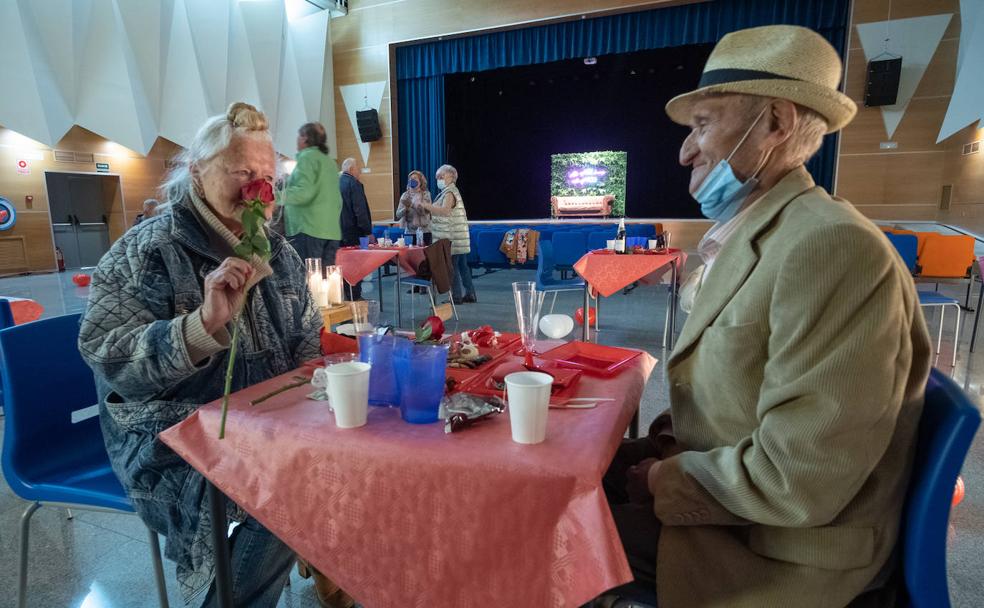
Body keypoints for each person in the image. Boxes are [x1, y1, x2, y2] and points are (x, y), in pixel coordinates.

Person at [599, 25, 931, 608]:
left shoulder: (830, 249)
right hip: (740, 519)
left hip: (776, 553)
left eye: (703, 125)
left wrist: (656, 481)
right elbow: (733, 407)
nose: (684, 151)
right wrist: (644, 454)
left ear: (776, 123)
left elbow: (799, 477)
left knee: (533, 532)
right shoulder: (763, 235)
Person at [77, 102, 345, 608]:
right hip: (169, 440)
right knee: (290, 488)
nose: (258, 189)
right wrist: (200, 328)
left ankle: (324, 558)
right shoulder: (146, 251)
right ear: (197, 173)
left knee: (353, 460)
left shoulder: (279, 254)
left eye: (267, 176)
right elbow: (108, 357)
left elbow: (308, 339)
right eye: (242, 172)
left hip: (270, 428)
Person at [282, 122, 343, 267]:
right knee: (326, 281)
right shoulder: (329, 162)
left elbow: (304, 192)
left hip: (308, 229)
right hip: (331, 230)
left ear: (304, 138)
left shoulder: (307, 158)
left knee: (308, 281)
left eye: (298, 136)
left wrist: (273, 196)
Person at [413, 164, 475, 304]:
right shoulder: (449, 191)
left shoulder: (449, 193)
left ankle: (456, 297)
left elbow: (445, 211)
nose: (438, 179)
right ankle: (470, 293)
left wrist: (425, 205)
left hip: (452, 238)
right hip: (458, 237)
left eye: (441, 176)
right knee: (463, 267)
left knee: (451, 268)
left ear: (451, 177)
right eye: (437, 177)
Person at [338, 157, 374, 300]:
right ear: (351, 169)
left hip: (337, 233)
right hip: (353, 233)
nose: (360, 172)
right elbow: (360, 211)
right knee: (355, 266)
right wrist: (367, 231)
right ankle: (356, 296)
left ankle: (347, 296)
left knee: (343, 267)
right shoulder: (354, 184)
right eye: (358, 169)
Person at [396, 170, 432, 244]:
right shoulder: (405, 195)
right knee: (409, 254)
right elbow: (398, 215)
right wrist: (405, 208)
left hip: (424, 231)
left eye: (415, 178)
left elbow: (425, 213)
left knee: (424, 254)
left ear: (420, 181)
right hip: (409, 232)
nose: (412, 180)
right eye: (410, 178)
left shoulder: (426, 194)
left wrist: (412, 205)